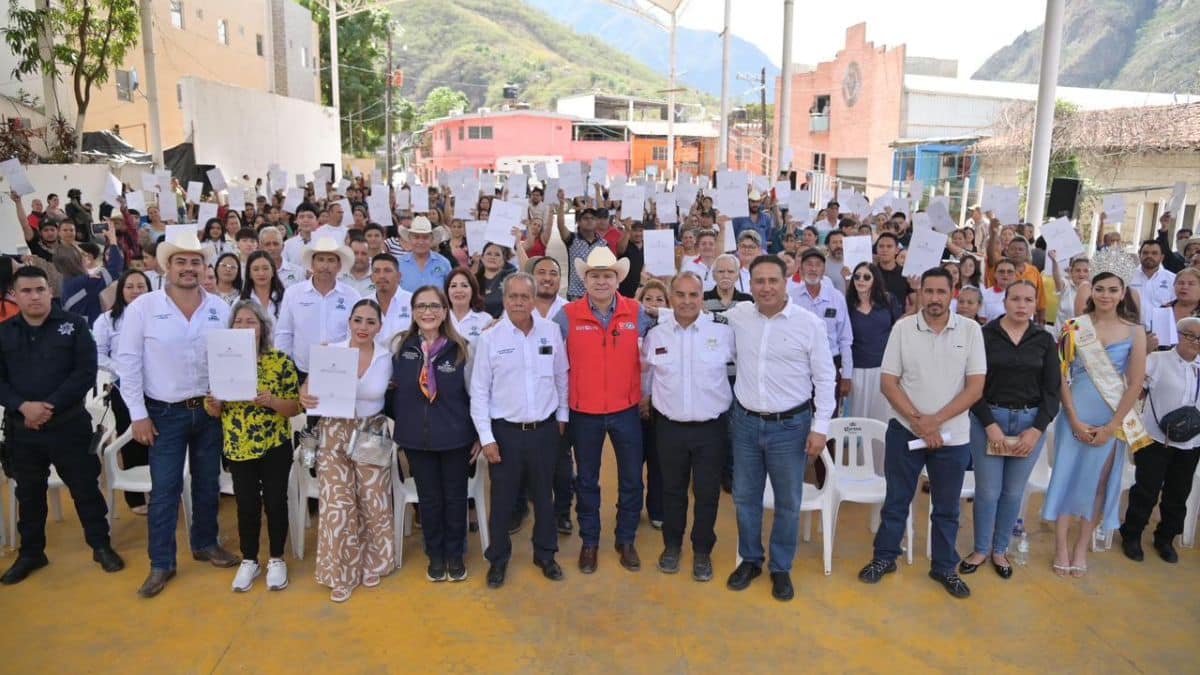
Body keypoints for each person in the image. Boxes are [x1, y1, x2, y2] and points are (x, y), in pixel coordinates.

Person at [115, 230, 238, 598]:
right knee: (165, 489)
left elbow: (230, 358)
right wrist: (138, 415)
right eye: (180, 261)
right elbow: (128, 363)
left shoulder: (220, 308)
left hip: (209, 411)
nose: (188, 268)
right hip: (163, 413)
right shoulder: (143, 308)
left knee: (207, 483)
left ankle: (205, 543)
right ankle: (161, 563)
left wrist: (225, 395)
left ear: (204, 267)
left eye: (195, 262)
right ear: (166, 267)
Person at [858, 267, 986, 599]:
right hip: (905, 431)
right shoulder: (903, 328)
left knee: (947, 507)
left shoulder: (971, 330)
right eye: (928, 291)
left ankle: (944, 567)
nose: (934, 298)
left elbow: (975, 388)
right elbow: (888, 383)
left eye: (941, 292)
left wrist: (935, 422)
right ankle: (885, 557)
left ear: (952, 293)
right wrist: (919, 422)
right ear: (920, 293)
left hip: (952, 437)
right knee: (896, 500)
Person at [0, 266, 124, 584]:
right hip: (23, 429)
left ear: (50, 291)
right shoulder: (5, 332)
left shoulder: (74, 325)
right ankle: (32, 553)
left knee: (85, 489)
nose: (34, 296)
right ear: (14, 295)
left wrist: (48, 407)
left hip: (68, 426)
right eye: (26, 291)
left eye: (40, 289)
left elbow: (85, 372)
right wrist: (23, 407)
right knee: (29, 495)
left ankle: (100, 545)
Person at [723, 255, 835, 602]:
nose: (766, 287)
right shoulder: (738, 316)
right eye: (759, 281)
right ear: (750, 284)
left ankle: (781, 567)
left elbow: (825, 378)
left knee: (788, 500)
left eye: (773, 280)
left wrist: (820, 428)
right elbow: (694, 316)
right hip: (745, 423)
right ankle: (750, 560)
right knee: (745, 497)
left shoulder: (809, 324)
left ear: (787, 282)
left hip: (791, 427)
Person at [552, 247, 653, 573]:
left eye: (607, 275)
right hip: (584, 412)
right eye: (594, 275)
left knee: (632, 479)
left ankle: (626, 539)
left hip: (626, 410)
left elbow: (667, 328)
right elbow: (544, 345)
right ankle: (590, 542)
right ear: (585, 280)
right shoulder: (567, 315)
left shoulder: (636, 312)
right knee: (587, 480)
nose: (601, 281)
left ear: (617, 279)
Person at [1043, 271, 1147, 578]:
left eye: (1113, 290)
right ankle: (1061, 546)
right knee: (1066, 477)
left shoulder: (1135, 331)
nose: (1105, 295)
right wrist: (1073, 419)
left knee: (1099, 483)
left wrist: (1113, 426)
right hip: (1074, 413)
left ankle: (1081, 546)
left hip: (1111, 417)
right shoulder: (1074, 326)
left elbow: (1135, 382)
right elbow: (1061, 375)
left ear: (1122, 293)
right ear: (1092, 292)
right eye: (1100, 289)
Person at [470, 273, 569, 588]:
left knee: (544, 496)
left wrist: (562, 416)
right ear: (504, 299)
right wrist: (487, 438)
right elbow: (479, 392)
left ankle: (546, 554)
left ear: (534, 299)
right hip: (505, 434)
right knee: (502, 500)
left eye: (525, 297)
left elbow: (561, 376)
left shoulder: (551, 332)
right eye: (512, 296)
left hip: (544, 430)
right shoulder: (490, 338)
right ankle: (498, 559)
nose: (518, 302)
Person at [961, 281, 1061, 579]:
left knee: (1013, 491)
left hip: (1029, 424)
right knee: (988, 491)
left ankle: (1000, 549)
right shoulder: (984, 335)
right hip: (989, 420)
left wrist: (1037, 430)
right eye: (1015, 299)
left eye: (1028, 300)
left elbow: (1052, 391)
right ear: (1004, 302)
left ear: (1035, 304)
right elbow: (972, 385)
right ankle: (981, 548)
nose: (1021, 305)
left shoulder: (1044, 340)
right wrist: (989, 425)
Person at [301, 299, 396, 602]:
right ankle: (340, 573)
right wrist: (305, 395)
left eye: (370, 321)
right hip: (334, 430)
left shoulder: (387, 357)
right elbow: (307, 389)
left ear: (379, 326)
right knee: (337, 505)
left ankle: (373, 562)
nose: (363, 327)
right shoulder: (332, 351)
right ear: (349, 322)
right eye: (358, 320)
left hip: (372, 430)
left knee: (372, 499)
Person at [642, 271, 734, 582]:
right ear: (670, 298)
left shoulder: (722, 331)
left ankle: (702, 551)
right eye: (680, 295)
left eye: (693, 295)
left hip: (711, 429)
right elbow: (647, 373)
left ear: (702, 297)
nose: (686, 301)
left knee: (707, 494)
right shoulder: (656, 334)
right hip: (669, 428)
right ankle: (672, 546)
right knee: (672, 491)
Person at [204, 300, 301, 592]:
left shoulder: (280, 361)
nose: (244, 326)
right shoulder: (221, 360)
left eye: (251, 321)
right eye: (238, 321)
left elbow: (295, 408)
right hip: (238, 444)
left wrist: (272, 401)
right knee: (246, 504)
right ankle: (249, 559)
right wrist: (214, 404)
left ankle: (276, 558)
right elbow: (214, 411)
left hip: (274, 444)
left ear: (262, 328)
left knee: (275, 501)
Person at [390, 287, 475, 583]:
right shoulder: (400, 348)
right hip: (417, 440)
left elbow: (475, 395)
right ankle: (435, 555)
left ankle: (455, 554)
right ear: (413, 312)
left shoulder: (462, 349)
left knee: (455, 498)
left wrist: (479, 435)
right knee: (429, 500)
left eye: (435, 306)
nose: (428, 312)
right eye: (421, 306)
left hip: (455, 438)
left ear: (444, 311)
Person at [1119, 316, 1200, 564]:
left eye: (1199, 338)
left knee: (1178, 493)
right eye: (1190, 335)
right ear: (1178, 335)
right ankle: (1132, 534)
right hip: (1155, 438)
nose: (1195, 342)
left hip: (1190, 444)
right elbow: (1133, 386)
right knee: (1146, 489)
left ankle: (1165, 538)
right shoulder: (1157, 360)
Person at [93, 269, 152, 513]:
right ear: (121, 291)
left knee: (159, 439)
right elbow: (97, 354)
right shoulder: (107, 320)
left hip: (157, 388)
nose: (136, 291)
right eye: (130, 286)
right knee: (132, 439)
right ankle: (135, 497)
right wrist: (123, 368)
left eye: (141, 286)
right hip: (124, 387)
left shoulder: (158, 316)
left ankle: (160, 489)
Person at [275, 237, 360, 380]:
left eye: (331, 260)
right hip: (301, 370)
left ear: (339, 266)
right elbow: (284, 333)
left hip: (339, 370)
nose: (325, 266)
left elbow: (355, 335)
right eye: (320, 260)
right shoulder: (293, 293)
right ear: (312, 264)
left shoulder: (352, 296)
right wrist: (282, 367)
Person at [790, 249, 853, 400]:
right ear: (801, 269)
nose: (813, 269)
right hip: (799, 365)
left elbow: (845, 339)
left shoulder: (836, 297)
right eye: (809, 264)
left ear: (824, 270)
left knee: (828, 410)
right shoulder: (791, 298)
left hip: (830, 362)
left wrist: (846, 375)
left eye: (818, 265)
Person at [845, 262, 900, 422]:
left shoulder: (888, 300)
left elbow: (899, 327)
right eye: (857, 276)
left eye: (866, 277)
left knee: (882, 419)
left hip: (884, 369)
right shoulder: (846, 304)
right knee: (856, 421)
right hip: (856, 370)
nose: (861, 280)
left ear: (875, 279)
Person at [635, 280, 668, 530]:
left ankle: (658, 508)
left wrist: (651, 399)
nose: (653, 304)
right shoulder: (630, 331)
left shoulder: (671, 332)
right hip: (632, 406)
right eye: (648, 299)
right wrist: (639, 397)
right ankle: (632, 508)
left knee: (659, 462)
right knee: (632, 463)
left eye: (659, 299)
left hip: (661, 406)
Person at [556, 207, 610, 300]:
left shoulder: (603, 243)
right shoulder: (572, 239)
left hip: (597, 291)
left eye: (592, 218)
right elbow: (561, 225)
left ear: (596, 222)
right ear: (578, 222)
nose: (589, 220)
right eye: (585, 218)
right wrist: (561, 205)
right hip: (575, 293)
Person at [397, 216, 452, 292]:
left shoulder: (444, 263)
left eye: (425, 237)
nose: (420, 241)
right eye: (416, 237)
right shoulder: (399, 264)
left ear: (431, 239)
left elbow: (450, 290)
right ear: (410, 239)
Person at [369, 253, 412, 344]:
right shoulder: (364, 303)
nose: (382, 276)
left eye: (387, 271)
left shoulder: (413, 302)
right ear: (371, 277)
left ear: (399, 276)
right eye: (376, 271)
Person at [445, 268, 491, 343]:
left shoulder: (485, 320)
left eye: (464, 285)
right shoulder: (440, 318)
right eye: (453, 286)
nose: (459, 290)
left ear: (473, 290)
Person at [1132, 239, 1176, 317]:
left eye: (1154, 253)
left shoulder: (1173, 279)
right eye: (1145, 253)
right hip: (1131, 323)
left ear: (1162, 257)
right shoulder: (1127, 277)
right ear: (1139, 254)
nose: (1149, 256)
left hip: (1161, 323)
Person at [239, 250, 285, 319]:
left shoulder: (286, 298)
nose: (261, 273)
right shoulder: (240, 301)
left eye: (265, 268)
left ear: (273, 271)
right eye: (256, 269)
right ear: (249, 274)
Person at [475, 242, 517, 318]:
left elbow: (526, 271)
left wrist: (518, 244)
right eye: (489, 254)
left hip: (503, 322)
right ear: (482, 258)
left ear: (503, 260)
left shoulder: (510, 278)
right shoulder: (474, 280)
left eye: (497, 255)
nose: (492, 257)